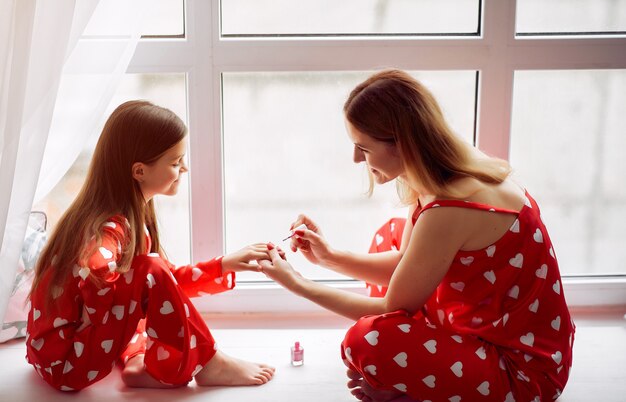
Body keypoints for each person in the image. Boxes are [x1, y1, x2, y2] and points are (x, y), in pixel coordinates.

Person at [259, 70, 575, 402]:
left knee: (366, 341)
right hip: (490, 327)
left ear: (401, 143)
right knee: (390, 236)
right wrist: (329, 257)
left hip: (522, 372)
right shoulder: (441, 171)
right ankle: (415, 376)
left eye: (363, 148)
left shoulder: (449, 210)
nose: (356, 159)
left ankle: (409, 391)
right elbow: (401, 263)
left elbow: (388, 308)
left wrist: (297, 283)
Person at [26, 100, 275, 391]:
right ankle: (209, 363)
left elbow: (162, 287)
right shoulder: (108, 227)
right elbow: (101, 268)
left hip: (61, 353)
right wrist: (120, 289)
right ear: (139, 171)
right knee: (148, 271)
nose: (184, 169)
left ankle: (137, 361)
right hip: (66, 364)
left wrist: (224, 265)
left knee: (150, 277)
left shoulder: (128, 217)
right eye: (175, 162)